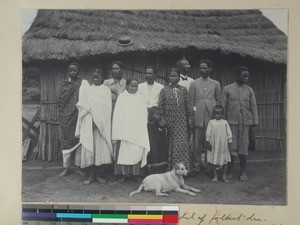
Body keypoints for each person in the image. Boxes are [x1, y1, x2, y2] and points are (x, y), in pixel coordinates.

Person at [75, 68, 113, 184]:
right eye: (94, 77)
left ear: (102, 78)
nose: (95, 79)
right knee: (91, 149)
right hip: (90, 124)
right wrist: (91, 121)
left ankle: (98, 175)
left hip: (101, 125)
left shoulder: (106, 90)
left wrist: (99, 121)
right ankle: (91, 175)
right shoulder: (88, 90)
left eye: (98, 77)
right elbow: (84, 107)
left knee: (99, 150)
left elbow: (107, 108)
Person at [222, 66, 258, 182]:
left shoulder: (249, 90)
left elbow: (254, 108)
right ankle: (229, 171)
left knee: (243, 148)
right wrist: (223, 123)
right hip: (231, 122)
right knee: (232, 147)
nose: (246, 78)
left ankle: (243, 172)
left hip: (246, 122)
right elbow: (223, 107)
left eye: (247, 76)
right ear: (237, 76)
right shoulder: (227, 89)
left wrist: (255, 123)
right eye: (243, 76)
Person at [112, 77, 150, 182]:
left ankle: (135, 173)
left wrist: (140, 126)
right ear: (127, 86)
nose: (134, 88)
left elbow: (143, 113)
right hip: (124, 130)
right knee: (124, 152)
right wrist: (120, 127)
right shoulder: (122, 97)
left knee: (137, 151)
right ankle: (123, 174)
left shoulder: (141, 98)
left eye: (136, 86)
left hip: (137, 130)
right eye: (132, 86)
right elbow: (118, 114)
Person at [188, 59, 222, 176]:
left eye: (205, 68)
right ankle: (196, 167)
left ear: (210, 69)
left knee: (209, 142)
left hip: (211, 118)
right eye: (201, 68)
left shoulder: (216, 84)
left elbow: (218, 101)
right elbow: (190, 101)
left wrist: (217, 117)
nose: (202, 70)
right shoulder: (194, 83)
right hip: (197, 117)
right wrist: (191, 118)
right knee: (196, 144)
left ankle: (208, 167)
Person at [158, 68, 193, 172]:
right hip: (168, 122)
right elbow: (160, 106)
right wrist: (162, 118)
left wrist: (190, 119)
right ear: (168, 77)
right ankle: (170, 169)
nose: (173, 78)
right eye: (171, 76)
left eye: (175, 76)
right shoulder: (164, 90)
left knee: (181, 144)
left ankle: (183, 169)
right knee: (169, 144)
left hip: (181, 123)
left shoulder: (183, 90)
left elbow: (188, 106)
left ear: (179, 78)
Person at [57, 62, 85, 177]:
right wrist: (64, 114)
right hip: (66, 118)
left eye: (74, 70)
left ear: (78, 71)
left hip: (78, 116)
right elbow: (60, 100)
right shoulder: (64, 84)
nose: (72, 72)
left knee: (79, 141)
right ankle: (67, 168)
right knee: (66, 142)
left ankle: (77, 167)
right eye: (70, 70)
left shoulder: (83, 84)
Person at [205, 105, 232, 183]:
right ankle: (215, 175)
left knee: (225, 159)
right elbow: (208, 133)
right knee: (214, 159)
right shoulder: (211, 122)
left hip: (223, 145)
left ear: (222, 114)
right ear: (213, 114)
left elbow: (229, 133)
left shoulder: (225, 122)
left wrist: (229, 142)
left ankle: (224, 175)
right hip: (214, 145)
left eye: (219, 114)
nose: (217, 115)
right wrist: (208, 142)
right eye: (215, 114)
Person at [146, 106, 169, 175]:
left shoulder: (160, 123)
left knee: (161, 155)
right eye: (157, 114)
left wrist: (162, 130)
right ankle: (153, 170)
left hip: (160, 144)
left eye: (160, 115)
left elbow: (165, 130)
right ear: (151, 115)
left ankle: (161, 170)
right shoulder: (149, 124)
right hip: (153, 144)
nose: (158, 116)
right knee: (154, 156)